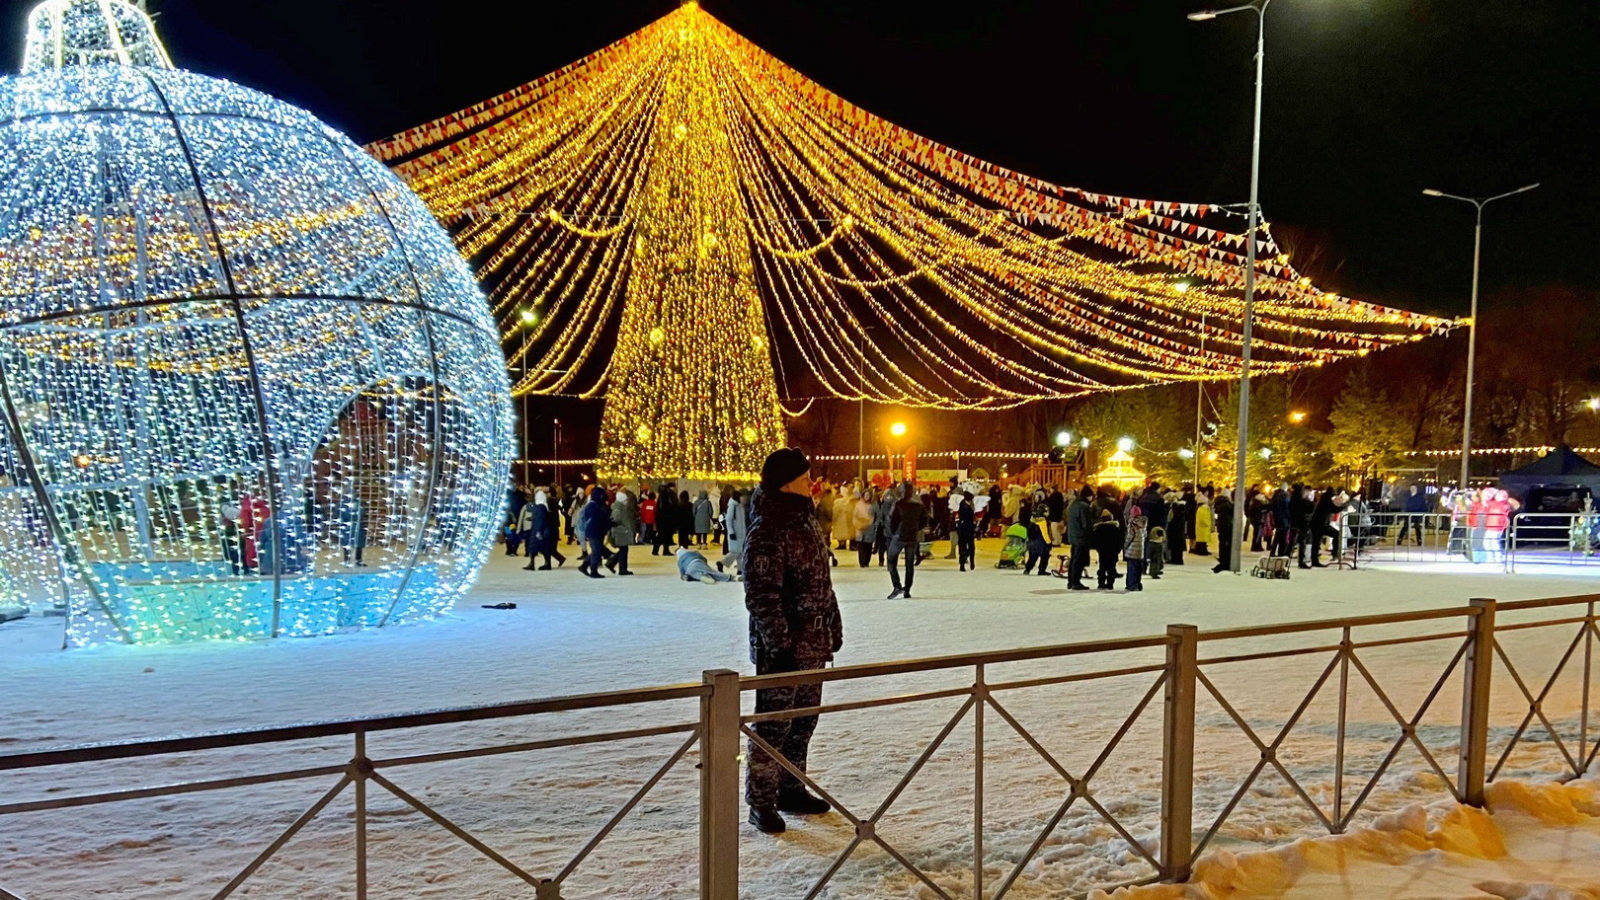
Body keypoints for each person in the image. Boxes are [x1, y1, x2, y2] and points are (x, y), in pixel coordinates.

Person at [743, 448, 842, 834]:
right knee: (773, 727)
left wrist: (832, 625)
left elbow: (822, 583)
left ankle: (791, 788)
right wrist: (780, 645)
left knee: (802, 724)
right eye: (805, 477)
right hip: (782, 651)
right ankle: (762, 801)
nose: (811, 483)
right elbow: (761, 596)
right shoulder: (769, 528)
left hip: (813, 645)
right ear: (788, 483)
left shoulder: (805, 521)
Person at [887, 481, 926, 599]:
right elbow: (924, 520)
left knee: (891, 560)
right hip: (912, 536)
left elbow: (892, 520)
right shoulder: (919, 505)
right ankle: (907, 589)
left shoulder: (898, 504)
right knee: (909, 565)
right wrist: (915, 529)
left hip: (900, 535)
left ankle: (897, 585)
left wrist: (894, 532)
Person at [579, 486, 612, 578]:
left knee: (597, 550)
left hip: (598, 531)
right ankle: (593, 570)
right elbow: (595, 519)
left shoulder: (599, 505)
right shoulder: (592, 506)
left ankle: (584, 566)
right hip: (594, 531)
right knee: (596, 551)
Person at [1066, 487, 1094, 590]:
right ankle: (1076, 582)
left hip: (1073, 536)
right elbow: (1086, 524)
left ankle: (1071, 581)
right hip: (1081, 537)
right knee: (1078, 560)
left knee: (1074, 559)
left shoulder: (1073, 504)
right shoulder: (1084, 506)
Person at [606, 490, 638, 576]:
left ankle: (613, 563)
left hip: (622, 531)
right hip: (621, 532)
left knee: (623, 550)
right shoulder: (618, 509)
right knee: (623, 550)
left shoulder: (620, 507)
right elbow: (615, 520)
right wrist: (623, 527)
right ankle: (622, 568)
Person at [1139, 483, 1168, 580]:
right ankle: (1155, 568)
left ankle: (1143, 567)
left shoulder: (1142, 498)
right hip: (1155, 526)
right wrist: (1163, 526)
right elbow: (1162, 513)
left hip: (1144, 525)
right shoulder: (1158, 499)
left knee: (1144, 546)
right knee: (1156, 548)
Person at [1310, 488, 1342, 567]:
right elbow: (1333, 509)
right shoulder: (1327, 500)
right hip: (1321, 524)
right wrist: (1343, 507)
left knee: (1316, 543)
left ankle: (1314, 560)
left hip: (1319, 524)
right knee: (1336, 534)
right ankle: (1334, 553)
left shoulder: (1324, 500)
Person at [718, 489, 747, 574]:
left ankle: (740, 570)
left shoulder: (739, 506)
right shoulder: (732, 507)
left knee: (741, 552)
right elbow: (728, 520)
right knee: (735, 552)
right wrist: (731, 532)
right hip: (735, 533)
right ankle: (721, 563)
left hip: (741, 533)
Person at [1093, 509, 1121, 589]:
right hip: (1113, 552)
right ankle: (1110, 584)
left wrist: (1098, 549)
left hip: (1102, 552)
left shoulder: (1098, 529)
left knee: (1102, 568)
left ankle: (1101, 583)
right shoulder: (1115, 529)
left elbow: (1095, 541)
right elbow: (1119, 540)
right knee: (1111, 568)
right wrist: (1118, 550)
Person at [338, 494, 367, 566]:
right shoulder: (355, 504)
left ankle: (350, 561)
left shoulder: (344, 504)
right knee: (353, 544)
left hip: (352, 527)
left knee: (352, 544)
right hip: (353, 527)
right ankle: (355, 561)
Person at [1022, 502, 1050, 576]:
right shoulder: (1042, 521)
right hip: (1040, 542)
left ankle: (1027, 569)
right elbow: (1044, 533)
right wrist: (1048, 542)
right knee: (1045, 556)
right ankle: (1042, 570)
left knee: (1032, 556)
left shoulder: (1033, 519)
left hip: (1032, 541)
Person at [854, 487, 879, 568]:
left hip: (870, 528)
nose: (867, 496)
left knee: (868, 545)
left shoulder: (874, 505)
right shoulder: (859, 504)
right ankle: (861, 561)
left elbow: (878, 516)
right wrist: (856, 523)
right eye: (865, 495)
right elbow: (855, 515)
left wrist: (875, 524)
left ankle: (866, 561)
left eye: (868, 495)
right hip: (860, 527)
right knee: (861, 546)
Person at [1212, 490, 1234, 574]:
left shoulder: (1219, 503)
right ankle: (1226, 563)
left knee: (1222, 544)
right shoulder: (1227, 505)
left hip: (1222, 526)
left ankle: (1223, 561)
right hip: (1227, 526)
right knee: (1227, 545)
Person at [1124, 514, 1148, 591]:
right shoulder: (1143, 524)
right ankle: (1138, 584)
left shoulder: (1132, 525)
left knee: (1132, 569)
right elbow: (1145, 536)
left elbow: (1129, 537)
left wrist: (1125, 546)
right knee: (1138, 569)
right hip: (1140, 551)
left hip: (1132, 551)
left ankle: (1131, 585)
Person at [875, 486, 896, 566]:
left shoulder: (882, 503)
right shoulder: (893, 502)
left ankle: (883, 560)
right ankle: (886, 560)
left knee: (883, 545)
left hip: (884, 526)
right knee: (887, 545)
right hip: (886, 527)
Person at [956, 491, 977, 572]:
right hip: (965, 529)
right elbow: (966, 517)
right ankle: (964, 562)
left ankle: (968, 562)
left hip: (966, 528)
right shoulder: (965, 506)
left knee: (967, 547)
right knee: (966, 547)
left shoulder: (966, 504)